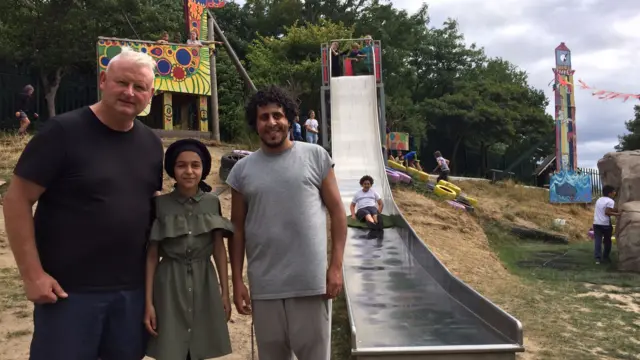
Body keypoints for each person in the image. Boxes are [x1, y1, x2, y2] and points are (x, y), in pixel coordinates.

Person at [2, 46, 164, 360]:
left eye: (140, 87)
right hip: (68, 294)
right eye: (122, 83)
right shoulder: (63, 132)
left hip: (130, 294)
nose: (130, 92)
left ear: (150, 94)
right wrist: (32, 275)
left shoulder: (151, 144)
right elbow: (16, 200)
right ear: (103, 80)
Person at [226, 85, 347, 360]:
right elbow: (237, 230)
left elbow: (338, 213)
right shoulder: (241, 172)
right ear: (255, 124)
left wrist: (336, 267)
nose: (271, 123)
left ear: (290, 118)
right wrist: (238, 282)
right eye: (264, 117)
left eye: (277, 115)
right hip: (265, 287)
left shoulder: (315, 156)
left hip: (310, 284)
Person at [145, 139, 233, 360]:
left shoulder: (213, 202)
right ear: (172, 169)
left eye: (195, 165)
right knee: (171, 348)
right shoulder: (159, 204)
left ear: (203, 169)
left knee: (200, 346)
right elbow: (152, 256)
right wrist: (148, 303)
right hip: (168, 285)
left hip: (205, 281)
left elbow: (219, 250)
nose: (189, 171)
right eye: (181, 165)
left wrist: (225, 292)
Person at [593, 185, 620, 265]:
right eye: (613, 192)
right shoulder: (610, 201)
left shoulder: (599, 199)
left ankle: (597, 259)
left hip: (596, 223)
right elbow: (607, 212)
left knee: (598, 241)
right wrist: (618, 214)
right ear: (609, 193)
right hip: (605, 224)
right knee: (607, 241)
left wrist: (616, 210)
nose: (615, 193)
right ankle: (606, 257)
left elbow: (605, 209)